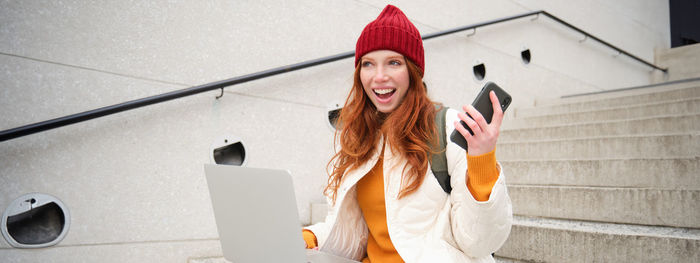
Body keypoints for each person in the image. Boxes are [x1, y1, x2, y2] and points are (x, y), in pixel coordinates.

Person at [303, 5, 512, 263]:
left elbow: (479, 242)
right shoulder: (356, 138)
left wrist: (482, 161)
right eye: (368, 64)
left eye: (393, 62)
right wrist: (309, 238)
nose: (379, 77)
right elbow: (352, 238)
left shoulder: (446, 126)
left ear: (413, 72)